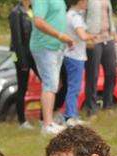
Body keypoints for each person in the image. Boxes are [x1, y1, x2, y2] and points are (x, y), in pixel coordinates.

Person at [29, 0, 75, 135]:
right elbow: (38, 22)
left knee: (56, 84)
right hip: (45, 46)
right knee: (50, 84)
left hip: (57, 47)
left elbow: (57, 20)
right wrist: (60, 35)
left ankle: (51, 120)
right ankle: (47, 124)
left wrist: (65, 39)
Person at [61, 0, 94, 126]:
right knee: (74, 87)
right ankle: (70, 116)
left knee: (72, 87)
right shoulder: (76, 17)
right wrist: (94, 36)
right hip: (76, 56)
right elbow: (82, 36)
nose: (87, 3)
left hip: (70, 54)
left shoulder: (67, 15)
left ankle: (71, 114)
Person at [84, 0, 117, 114]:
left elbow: (110, 17)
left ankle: (108, 105)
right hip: (93, 39)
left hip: (108, 38)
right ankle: (92, 108)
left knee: (112, 72)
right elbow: (81, 15)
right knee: (92, 75)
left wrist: (114, 34)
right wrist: (86, 36)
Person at [10, 0, 39, 129]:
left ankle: (46, 117)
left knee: (48, 81)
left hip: (32, 52)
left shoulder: (32, 10)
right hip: (19, 53)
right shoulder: (16, 12)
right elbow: (16, 39)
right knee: (22, 86)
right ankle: (22, 121)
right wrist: (22, 60)